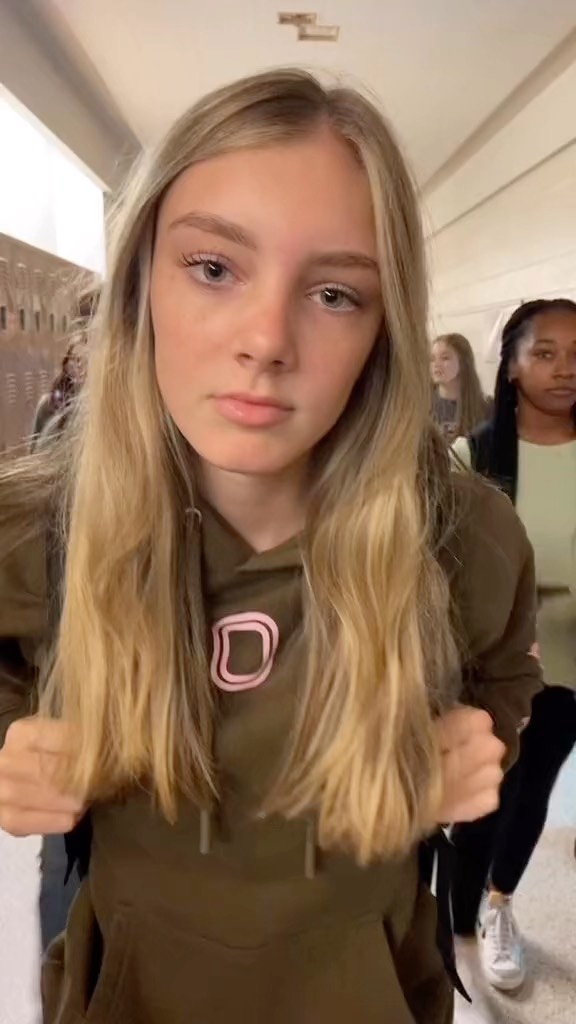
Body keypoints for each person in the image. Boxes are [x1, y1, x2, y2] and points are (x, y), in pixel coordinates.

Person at [0, 70, 540, 1024]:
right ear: (143, 282)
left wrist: (476, 742)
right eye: (214, 268)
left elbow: (505, 680)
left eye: (334, 293)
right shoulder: (39, 526)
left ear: (383, 328)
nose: (266, 341)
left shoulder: (465, 538)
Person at [451, 298, 576, 993]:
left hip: (570, 664)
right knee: (486, 793)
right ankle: (455, 922)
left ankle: (499, 904)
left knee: (533, 791)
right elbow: (439, 568)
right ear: (513, 366)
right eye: (546, 353)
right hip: (495, 669)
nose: (565, 369)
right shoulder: (473, 457)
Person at [431, 333, 491, 442]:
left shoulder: (486, 408)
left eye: (445, 358)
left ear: (463, 362)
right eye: (432, 358)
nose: (436, 364)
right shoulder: (421, 406)